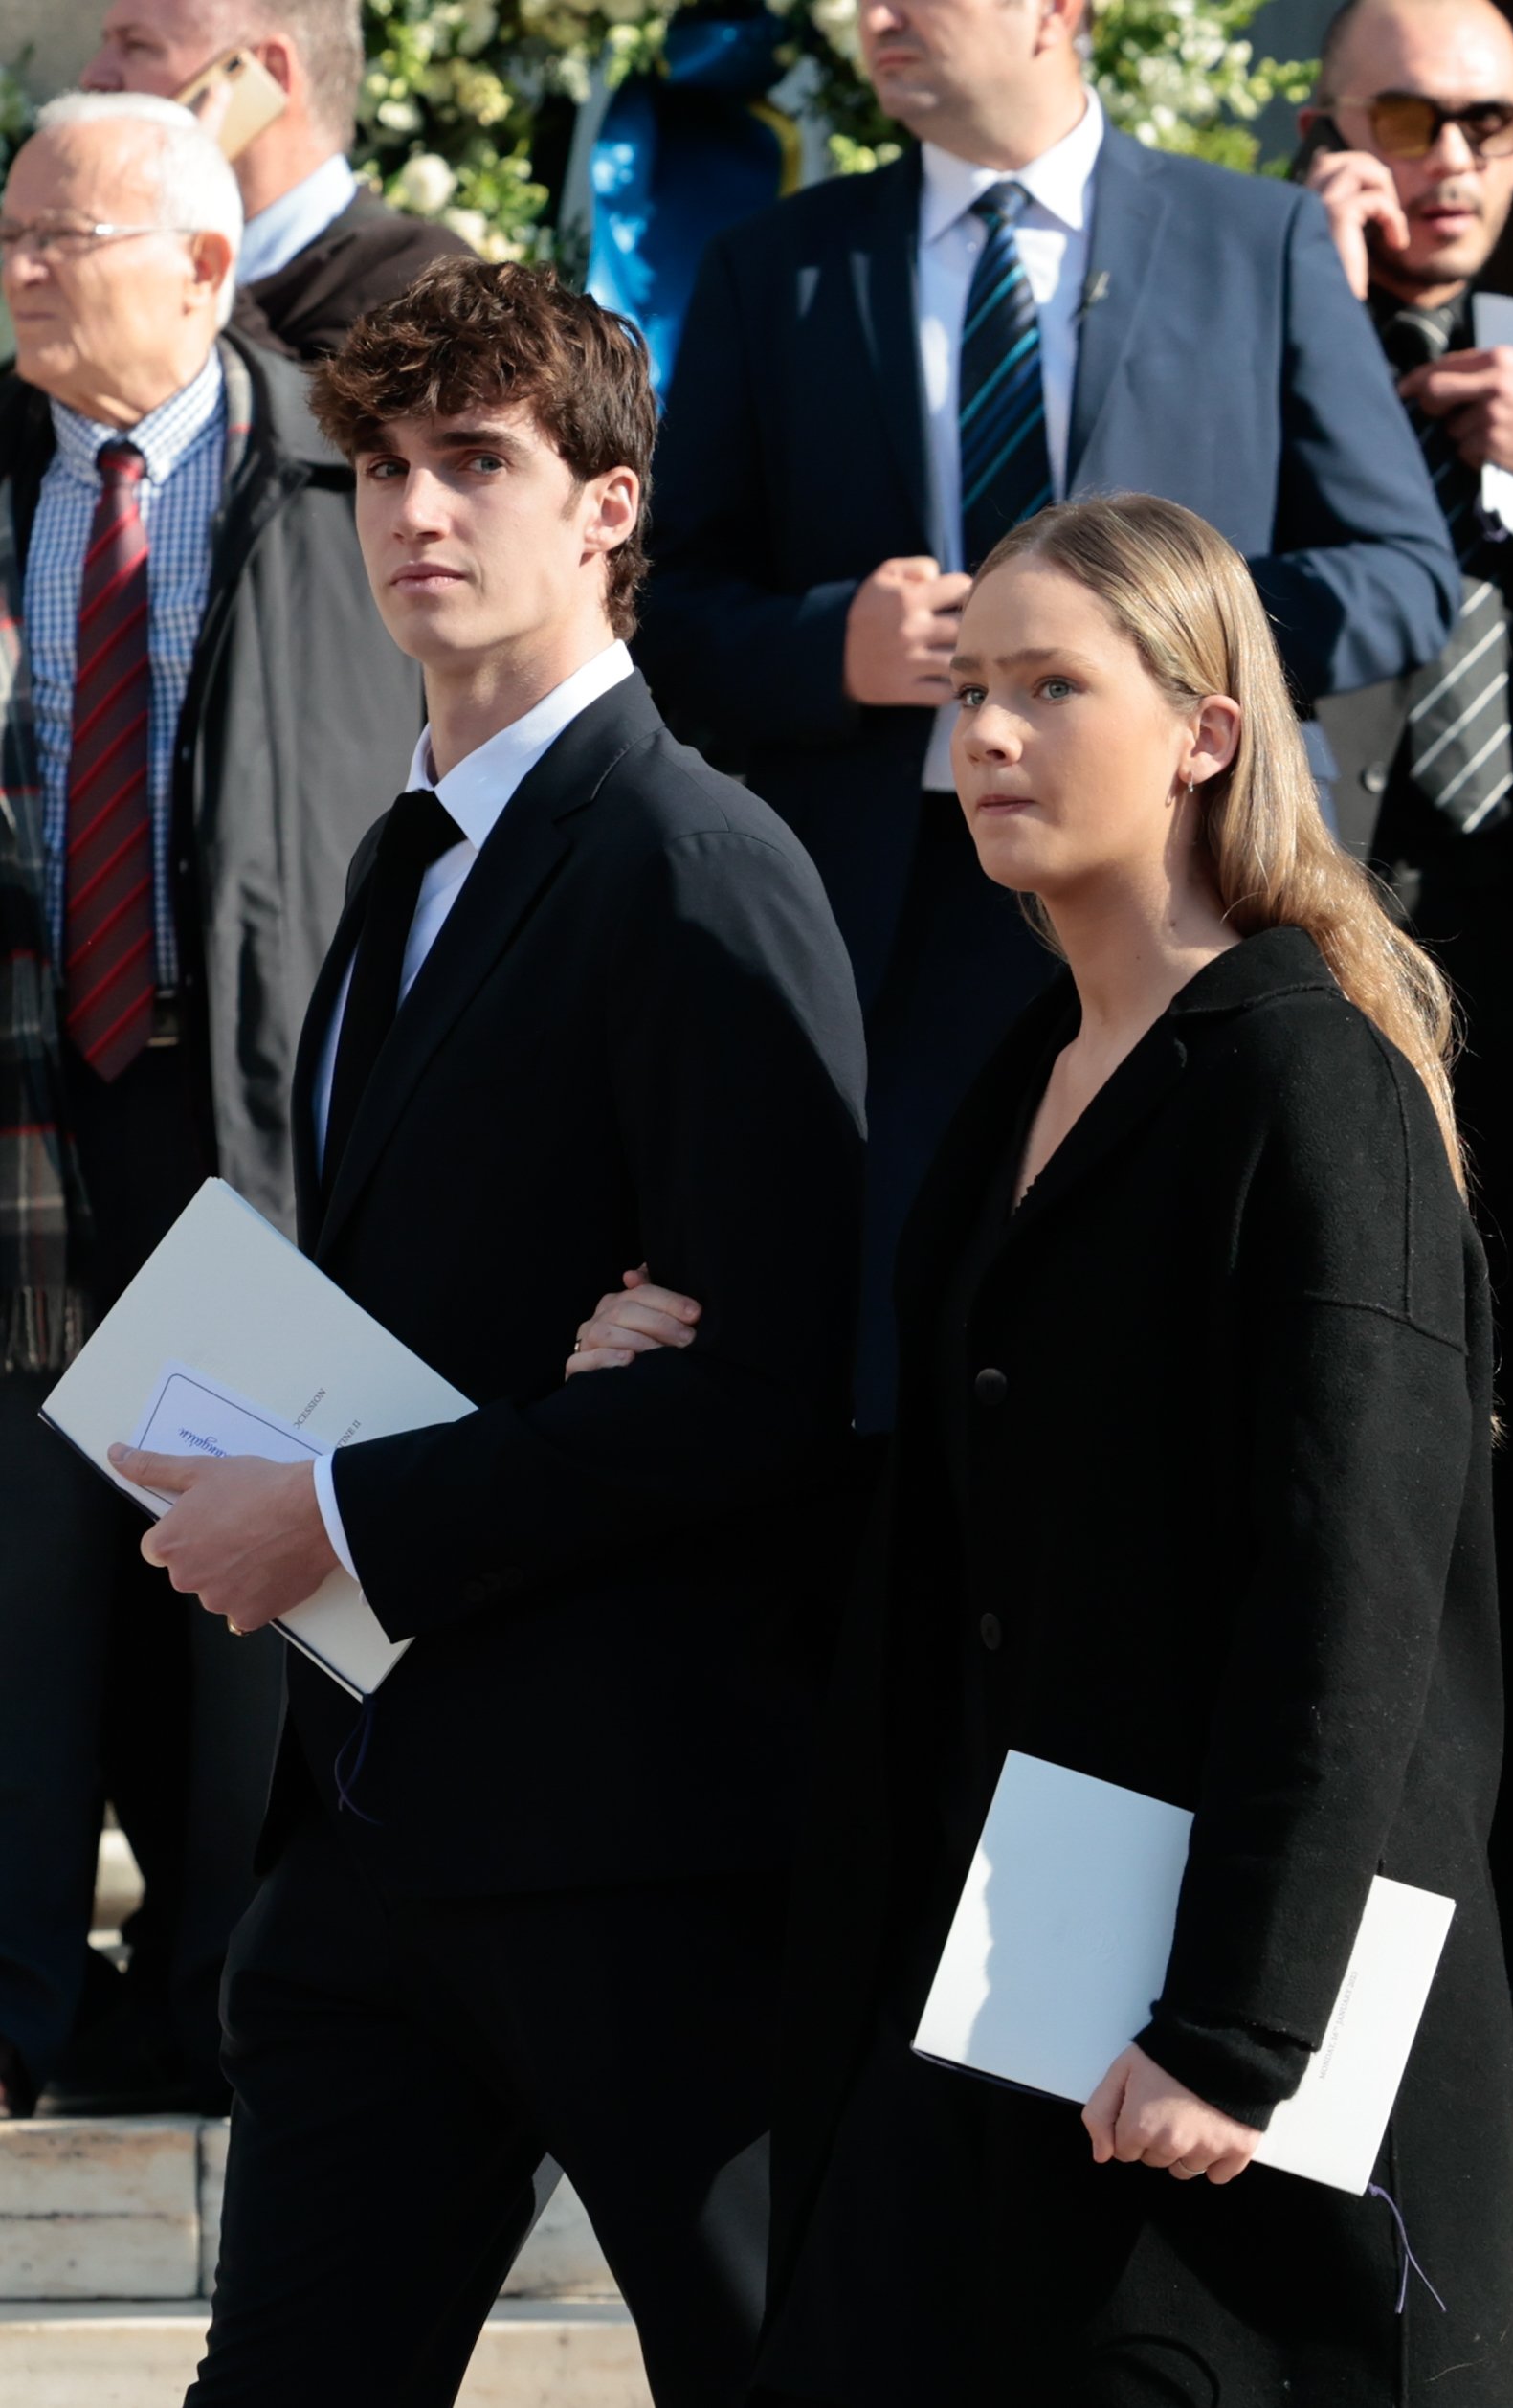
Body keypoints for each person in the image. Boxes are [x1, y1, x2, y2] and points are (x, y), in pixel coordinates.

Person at [579, 493, 1513, 2406]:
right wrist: (630, 1385)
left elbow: (1343, 1609)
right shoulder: (1027, 1072)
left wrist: (1234, 2031)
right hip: (1009, 2023)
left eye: (1047, 688)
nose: (984, 738)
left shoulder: (1306, 1083)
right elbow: (975, 1532)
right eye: (970, 689)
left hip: (1218, 2103)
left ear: (1203, 732)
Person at [104, 254, 865, 2406]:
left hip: (636, 1832)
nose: (417, 513)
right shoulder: (401, 852)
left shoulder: (699, 864)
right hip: (381, 1833)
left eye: (480, 464)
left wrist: (338, 1510)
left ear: (608, 509)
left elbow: (765, 1388)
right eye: (380, 469)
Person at [636, 0, 1460, 1428]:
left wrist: (1146, 645)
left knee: (1162, 1375)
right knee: (897, 1385)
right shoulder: (775, 267)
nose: (869, 19)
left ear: (1058, 12)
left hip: (1177, 907)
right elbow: (670, 614)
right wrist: (827, 644)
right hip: (883, 933)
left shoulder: (1249, 242)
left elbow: (1399, 574)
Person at [0, 90, 421, 2122]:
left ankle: (233, 2009)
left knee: (250, 1607)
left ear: (196, 266)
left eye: (51, 241)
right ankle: (25, 2021)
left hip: (251, 1105)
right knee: (28, 1586)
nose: (15, 272)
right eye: (11, 236)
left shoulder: (341, 479)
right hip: (32, 1113)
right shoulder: (7, 468)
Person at [1300, 0, 1513, 2091]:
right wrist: (1303, 333)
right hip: (1340, 996)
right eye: (1404, 117)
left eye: (1487, 120)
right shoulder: (1243, 326)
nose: (1452, 158)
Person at [82, 0, 471, 359]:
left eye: (137, 45)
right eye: (105, 44)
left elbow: (295, 427)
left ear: (267, 73)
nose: (93, 77)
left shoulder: (420, 284)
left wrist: (186, 234)